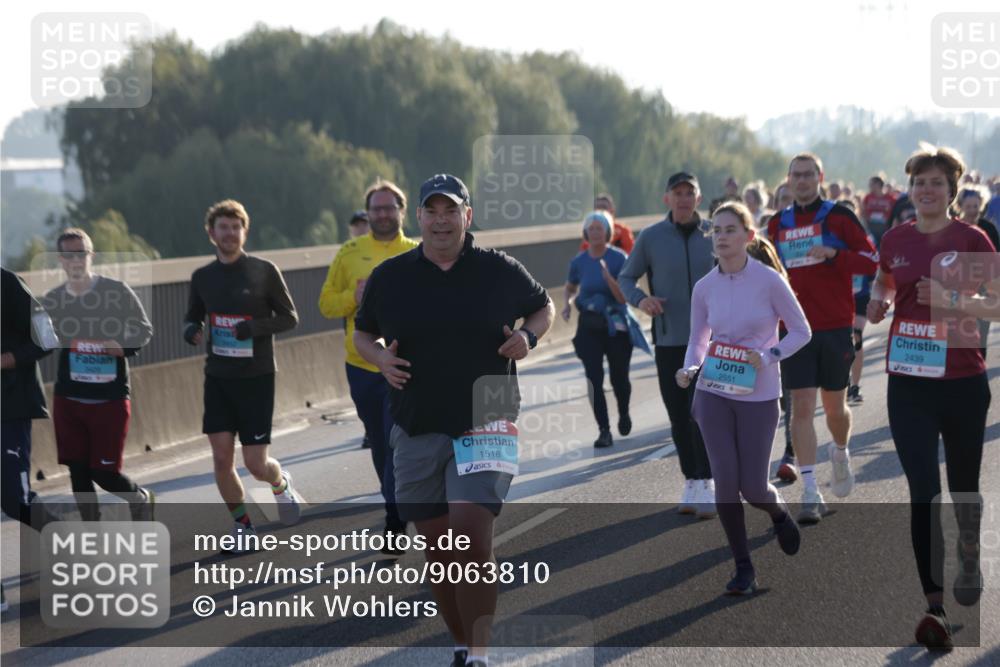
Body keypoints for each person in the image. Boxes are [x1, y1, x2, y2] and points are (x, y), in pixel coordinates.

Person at [354, 173, 554, 667]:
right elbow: (362, 335)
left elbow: (543, 307)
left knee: (470, 534)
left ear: (467, 216)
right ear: (418, 218)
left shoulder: (499, 269)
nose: (441, 221)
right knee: (439, 553)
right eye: (432, 211)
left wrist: (528, 338)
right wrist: (379, 360)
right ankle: (464, 645)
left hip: (486, 414)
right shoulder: (391, 277)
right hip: (417, 421)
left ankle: (481, 656)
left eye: (451, 211)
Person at [868, 146, 999, 651]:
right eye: (919, 182)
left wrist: (954, 301)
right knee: (924, 490)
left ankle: (969, 550)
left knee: (964, 485)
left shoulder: (972, 239)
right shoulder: (895, 238)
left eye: (936, 183)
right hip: (909, 382)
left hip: (964, 381)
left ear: (951, 190)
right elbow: (883, 280)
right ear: (911, 189)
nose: (926, 190)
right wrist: (878, 302)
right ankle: (935, 607)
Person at [678, 201, 810, 594]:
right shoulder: (705, 288)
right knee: (725, 483)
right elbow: (698, 339)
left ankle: (776, 511)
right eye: (716, 230)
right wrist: (689, 368)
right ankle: (743, 568)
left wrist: (770, 355)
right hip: (713, 391)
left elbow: (801, 331)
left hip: (760, 392)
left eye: (730, 230)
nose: (721, 237)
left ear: (749, 236)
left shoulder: (769, 281)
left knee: (753, 486)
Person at [766, 153, 879, 522]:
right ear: (787, 180)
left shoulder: (839, 217)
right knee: (800, 405)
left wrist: (834, 254)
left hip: (833, 326)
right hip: (794, 329)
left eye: (808, 175)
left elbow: (871, 260)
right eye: (795, 175)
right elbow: (765, 274)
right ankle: (810, 491)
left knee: (835, 408)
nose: (801, 181)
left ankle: (841, 450)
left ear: (820, 177)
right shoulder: (775, 225)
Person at [183, 200, 301, 551]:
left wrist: (254, 328)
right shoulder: (202, 277)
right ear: (211, 233)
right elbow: (193, 316)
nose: (230, 234)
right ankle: (243, 525)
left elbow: (290, 317)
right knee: (221, 458)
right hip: (218, 377)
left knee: (255, 464)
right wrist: (191, 330)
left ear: (244, 231)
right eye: (223, 227)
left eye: (236, 227)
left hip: (257, 377)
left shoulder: (264, 270)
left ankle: (280, 484)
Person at [319, 181, 418, 552]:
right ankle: (394, 504)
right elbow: (326, 305)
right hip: (362, 366)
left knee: (399, 443)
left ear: (402, 211)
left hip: (409, 366)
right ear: (368, 213)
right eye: (376, 208)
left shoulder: (418, 250)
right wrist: (353, 297)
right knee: (380, 445)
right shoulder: (349, 252)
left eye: (389, 207)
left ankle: (395, 519)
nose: (383, 214)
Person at [41, 229, 155, 523]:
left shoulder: (116, 291)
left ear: (90, 255)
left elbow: (143, 329)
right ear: (60, 261)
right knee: (77, 470)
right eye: (67, 255)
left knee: (103, 472)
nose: (74, 260)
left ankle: (139, 497)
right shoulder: (53, 300)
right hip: (69, 397)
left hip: (109, 397)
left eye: (80, 253)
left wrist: (123, 346)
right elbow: (40, 340)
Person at [619, 171, 716, 518]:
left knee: (702, 415)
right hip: (670, 340)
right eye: (678, 193)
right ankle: (691, 479)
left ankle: (707, 480)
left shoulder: (714, 234)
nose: (684, 198)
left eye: (690, 193)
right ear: (667, 199)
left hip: (710, 344)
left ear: (699, 199)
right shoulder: (651, 237)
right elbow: (626, 276)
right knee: (678, 415)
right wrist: (642, 300)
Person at [1, 267, 60, 612]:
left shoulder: (6, 284)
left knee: (15, 500)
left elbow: (46, 337)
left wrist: (6, 360)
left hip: (9, 406)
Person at [563, 210, 644, 449]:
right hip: (589, 325)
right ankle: (604, 430)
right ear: (585, 233)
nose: (596, 233)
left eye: (600, 228)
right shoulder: (578, 262)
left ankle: (624, 412)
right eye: (592, 228)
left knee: (619, 378)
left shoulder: (620, 258)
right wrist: (567, 304)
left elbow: (624, 297)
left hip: (616, 325)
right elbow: (569, 287)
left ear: (608, 232)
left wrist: (610, 280)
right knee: (594, 379)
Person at [956, 186, 1000, 358]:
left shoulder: (987, 227)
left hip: (984, 286)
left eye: (976, 206)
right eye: (969, 207)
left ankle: (979, 362)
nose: (973, 211)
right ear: (960, 207)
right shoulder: (953, 228)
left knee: (982, 329)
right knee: (958, 329)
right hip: (957, 286)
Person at [862, 173, 896, 245]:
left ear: (878, 184)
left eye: (871, 184)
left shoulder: (890, 199)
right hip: (871, 227)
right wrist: (866, 228)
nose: (869, 187)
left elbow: (895, 215)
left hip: (885, 227)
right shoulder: (867, 198)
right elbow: (863, 212)